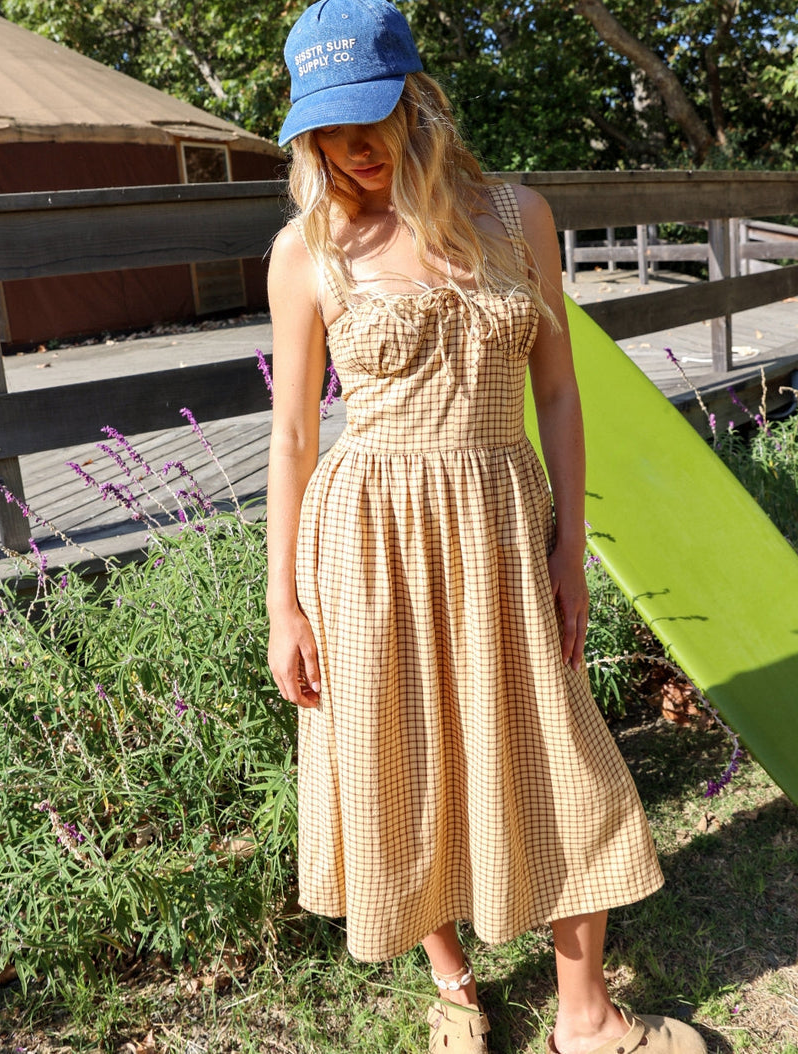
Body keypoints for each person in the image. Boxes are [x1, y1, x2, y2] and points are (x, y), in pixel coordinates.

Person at [265, 2, 707, 1052]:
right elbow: (291, 434)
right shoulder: (307, 250)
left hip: (502, 521)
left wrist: (569, 546)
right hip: (366, 537)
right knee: (394, 754)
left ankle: (585, 1017)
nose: (351, 148)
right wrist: (282, 602)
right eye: (326, 129)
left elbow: (556, 391)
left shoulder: (517, 215)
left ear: (416, 96)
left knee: (559, 750)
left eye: (369, 116)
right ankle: (454, 983)